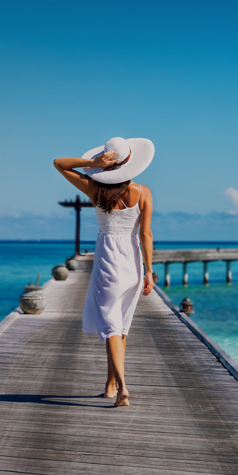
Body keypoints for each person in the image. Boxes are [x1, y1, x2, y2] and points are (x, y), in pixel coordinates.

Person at [53, 137, 155, 407]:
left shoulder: (94, 190)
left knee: (111, 326)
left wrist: (91, 163)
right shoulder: (143, 192)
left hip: (108, 257)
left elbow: (59, 164)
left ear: (107, 164)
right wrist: (149, 271)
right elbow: (145, 233)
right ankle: (110, 386)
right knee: (120, 328)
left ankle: (122, 387)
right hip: (133, 260)